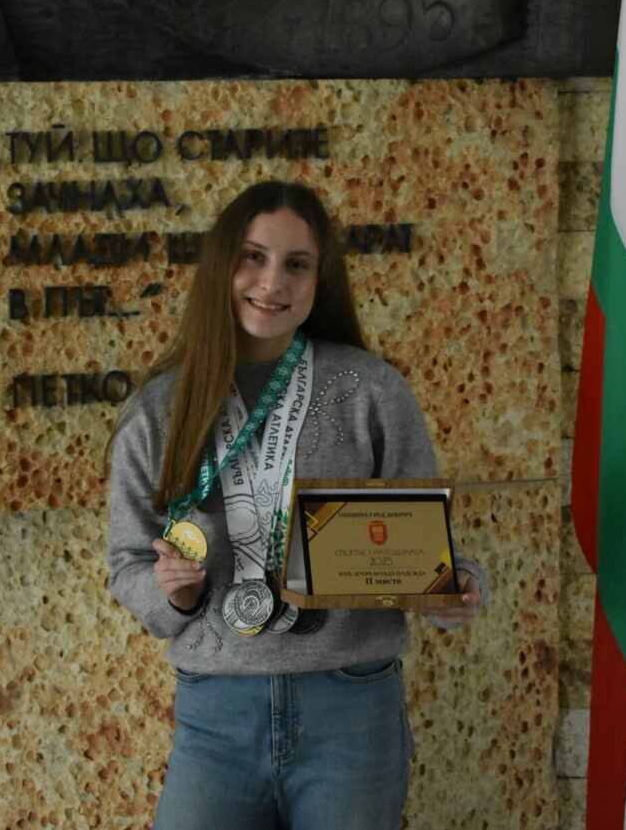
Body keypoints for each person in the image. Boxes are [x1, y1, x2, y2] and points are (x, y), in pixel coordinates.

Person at [107, 180, 488, 830]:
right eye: (253, 257)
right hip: (216, 717)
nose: (272, 281)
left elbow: (428, 546)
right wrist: (171, 593)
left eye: (297, 264)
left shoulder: (371, 391)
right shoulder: (160, 409)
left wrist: (457, 587)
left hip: (351, 709)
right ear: (222, 266)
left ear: (319, 279)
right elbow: (127, 563)